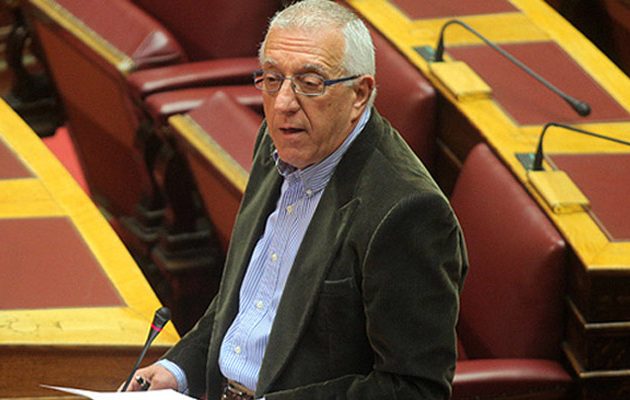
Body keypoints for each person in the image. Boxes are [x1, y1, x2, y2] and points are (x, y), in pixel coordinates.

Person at [124, 0, 467, 398]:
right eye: (272, 79)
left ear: (359, 94)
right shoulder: (280, 142)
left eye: (310, 82)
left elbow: (415, 388)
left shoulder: (407, 212)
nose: (284, 103)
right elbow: (248, 304)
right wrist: (177, 370)